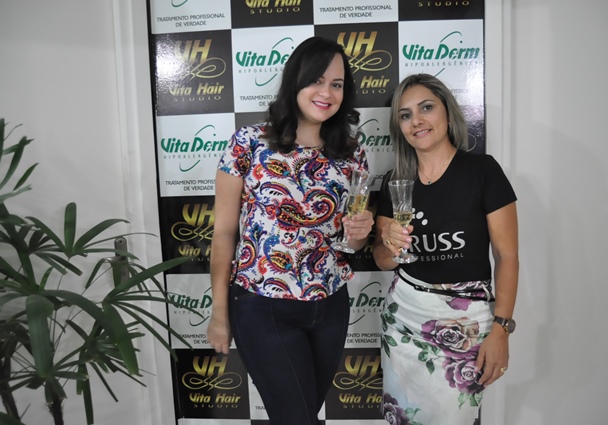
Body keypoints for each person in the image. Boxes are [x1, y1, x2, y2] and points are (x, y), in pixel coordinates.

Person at [206, 36, 374, 425]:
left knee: (302, 415)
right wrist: (219, 313)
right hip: (262, 307)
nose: (327, 92)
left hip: (330, 305)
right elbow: (224, 232)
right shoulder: (249, 142)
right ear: (295, 81)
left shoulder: (352, 152)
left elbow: (351, 241)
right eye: (317, 80)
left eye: (337, 84)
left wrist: (360, 231)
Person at [372, 73, 519, 425]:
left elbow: (507, 256)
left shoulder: (482, 170)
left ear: (447, 113)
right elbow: (382, 260)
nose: (416, 121)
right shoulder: (394, 182)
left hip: (466, 328)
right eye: (405, 115)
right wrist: (390, 243)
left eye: (426, 108)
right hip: (403, 321)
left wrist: (501, 330)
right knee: (403, 418)